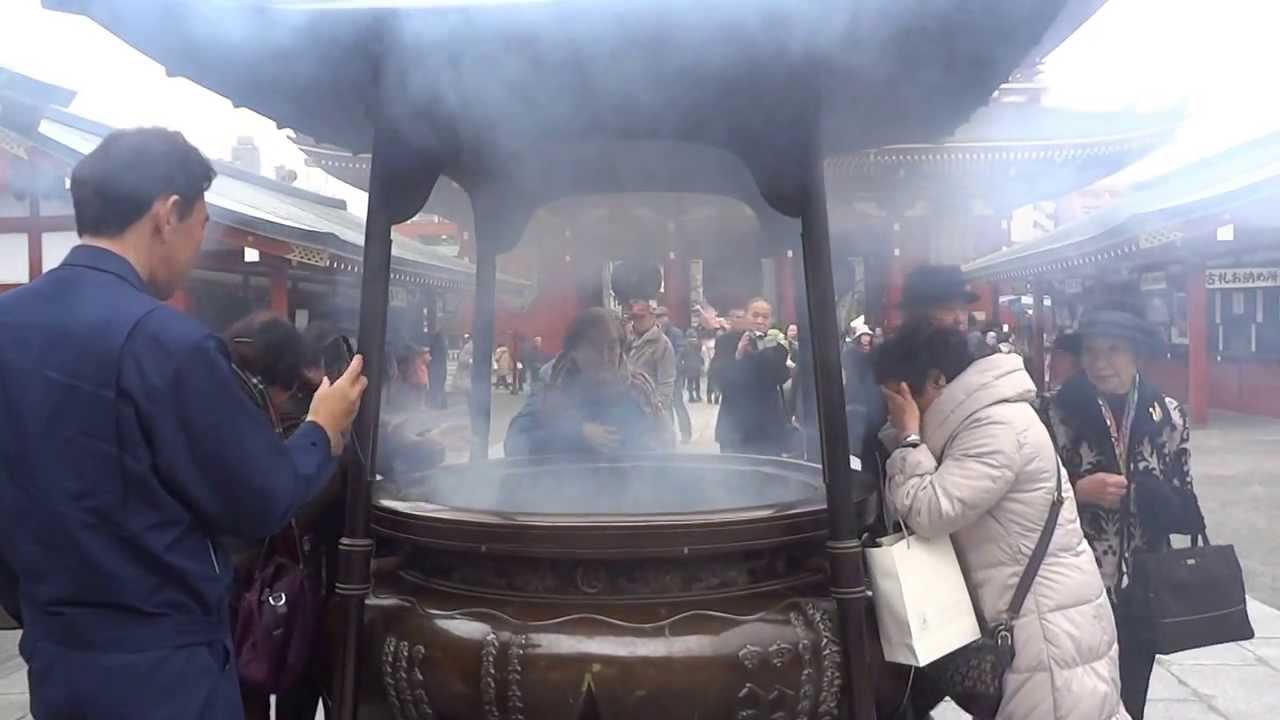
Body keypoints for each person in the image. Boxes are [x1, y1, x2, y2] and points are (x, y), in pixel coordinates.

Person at [0, 128, 366, 720]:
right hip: (165, 668)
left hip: (57, 657)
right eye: (201, 226)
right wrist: (321, 429)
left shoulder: (7, 324)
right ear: (168, 213)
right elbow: (261, 499)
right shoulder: (168, 345)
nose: (199, 247)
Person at [876, 323, 1127, 720]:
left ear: (938, 381)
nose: (898, 409)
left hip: (1045, 628)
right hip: (1042, 616)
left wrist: (908, 439)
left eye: (902, 397)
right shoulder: (983, 419)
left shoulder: (995, 428)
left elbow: (929, 511)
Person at [1047, 301, 1204, 720]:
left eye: (1113, 350)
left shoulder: (1168, 415)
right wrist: (1079, 490)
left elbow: (1186, 505)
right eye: (1090, 352)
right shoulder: (1053, 413)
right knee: (1078, 695)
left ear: (1136, 354)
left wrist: (1153, 495)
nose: (1100, 363)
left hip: (1144, 579)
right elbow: (1028, 500)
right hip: (1074, 581)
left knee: (1133, 689)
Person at [505, 308, 673, 457]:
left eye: (612, 347)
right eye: (595, 348)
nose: (606, 357)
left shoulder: (638, 389)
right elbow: (514, 442)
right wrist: (578, 434)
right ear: (575, 352)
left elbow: (664, 443)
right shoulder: (553, 389)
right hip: (565, 487)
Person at [711, 297, 791, 456]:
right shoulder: (726, 341)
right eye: (755, 315)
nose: (760, 320)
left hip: (767, 426)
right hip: (735, 424)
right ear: (746, 316)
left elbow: (780, 377)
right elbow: (719, 379)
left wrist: (769, 351)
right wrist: (739, 354)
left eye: (765, 317)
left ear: (771, 320)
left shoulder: (777, 346)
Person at [624, 300, 678, 423]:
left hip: (651, 409)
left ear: (652, 317)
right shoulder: (628, 339)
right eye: (635, 318)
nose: (638, 321)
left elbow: (666, 382)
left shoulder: (662, 344)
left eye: (642, 318)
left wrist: (657, 410)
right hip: (630, 407)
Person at [655, 306, 692, 442]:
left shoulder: (675, 333)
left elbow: (681, 350)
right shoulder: (657, 333)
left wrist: (672, 365)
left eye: (661, 316)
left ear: (667, 317)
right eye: (657, 317)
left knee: (677, 403)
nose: (660, 319)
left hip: (674, 374)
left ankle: (686, 434)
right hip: (661, 375)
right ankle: (669, 433)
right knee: (665, 405)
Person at [680, 329, 705, 403]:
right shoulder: (698, 343)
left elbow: (682, 355)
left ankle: (691, 397)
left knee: (690, 381)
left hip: (688, 364)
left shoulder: (684, 344)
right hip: (697, 364)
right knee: (697, 381)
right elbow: (700, 353)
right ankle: (698, 395)